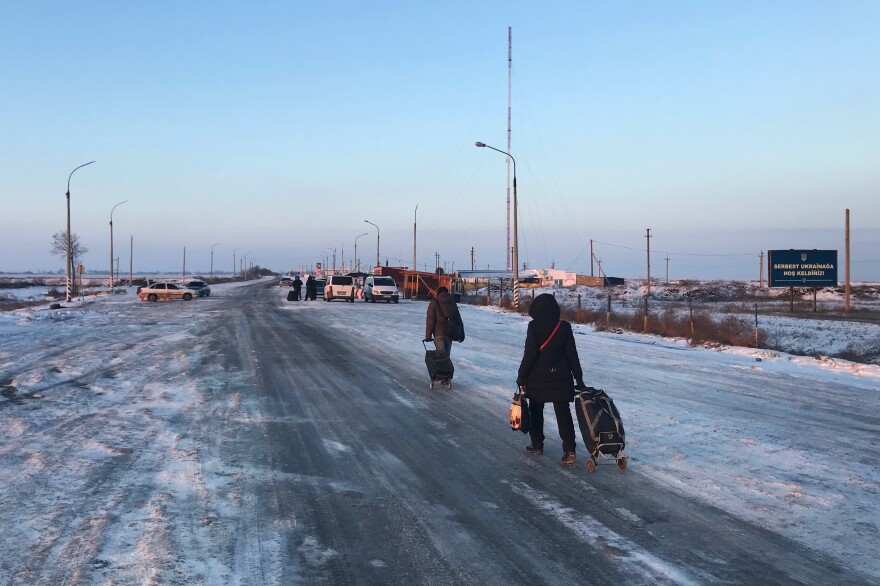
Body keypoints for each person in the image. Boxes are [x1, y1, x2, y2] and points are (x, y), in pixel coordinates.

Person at [517, 293, 586, 466]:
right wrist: (579, 378)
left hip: (537, 377)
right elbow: (572, 355)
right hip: (561, 376)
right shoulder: (564, 327)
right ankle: (569, 449)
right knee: (563, 414)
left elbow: (530, 354)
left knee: (536, 410)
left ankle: (537, 444)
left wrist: (521, 376)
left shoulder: (534, 327)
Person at [424, 286, 465, 357]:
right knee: (446, 356)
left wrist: (428, 336)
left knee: (441, 356)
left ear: (438, 293)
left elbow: (430, 320)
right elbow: (458, 319)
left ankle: (441, 368)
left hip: (438, 333)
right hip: (450, 332)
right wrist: (461, 334)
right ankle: (446, 367)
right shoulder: (452, 302)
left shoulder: (434, 302)